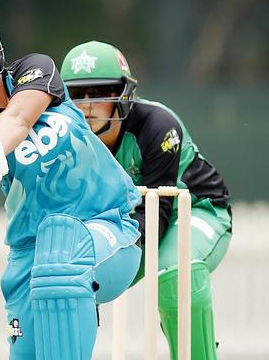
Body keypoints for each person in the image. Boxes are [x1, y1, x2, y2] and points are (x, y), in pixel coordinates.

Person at [0, 10, 143, 360]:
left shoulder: (34, 71)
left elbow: (19, 117)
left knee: (62, 264)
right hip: (30, 253)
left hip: (105, 224)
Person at [60, 40, 232, 360]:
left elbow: (159, 213)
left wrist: (111, 254)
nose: (86, 105)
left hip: (195, 210)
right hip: (129, 220)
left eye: (99, 92)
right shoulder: (65, 141)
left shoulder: (157, 125)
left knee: (177, 272)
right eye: (77, 94)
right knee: (65, 280)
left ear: (123, 94)